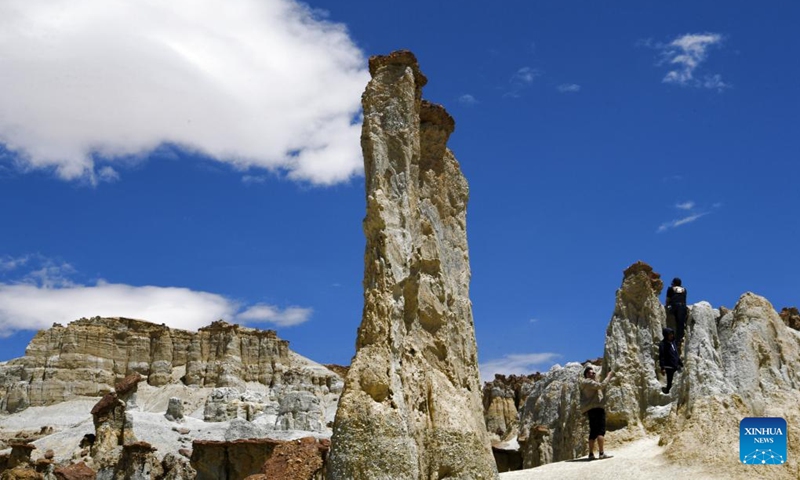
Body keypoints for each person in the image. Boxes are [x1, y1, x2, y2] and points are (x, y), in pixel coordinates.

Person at [579, 366, 614, 460]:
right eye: (591, 373)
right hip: (597, 408)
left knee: (593, 431)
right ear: (587, 375)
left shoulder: (585, 383)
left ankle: (590, 454)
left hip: (590, 410)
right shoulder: (588, 382)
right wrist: (609, 376)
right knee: (600, 431)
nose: (594, 374)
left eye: (594, 373)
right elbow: (601, 385)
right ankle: (601, 453)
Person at [658, 327, 683, 394]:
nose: (671, 335)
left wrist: (680, 362)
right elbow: (661, 356)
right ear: (666, 335)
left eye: (672, 334)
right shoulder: (662, 344)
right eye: (670, 334)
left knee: (678, 381)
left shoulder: (673, 343)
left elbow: (676, 353)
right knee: (670, 381)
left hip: (675, 364)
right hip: (669, 366)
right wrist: (662, 367)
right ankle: (668, 394)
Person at [665, 277, 688, 348]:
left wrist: (667, 306)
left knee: (672, 323)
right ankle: (679, 339)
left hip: (674, 306)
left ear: (673, 283)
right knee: (680, 324)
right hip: (683, 307)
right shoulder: (684, 290)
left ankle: (673, 339)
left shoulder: (670, 289)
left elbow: (667, 300)